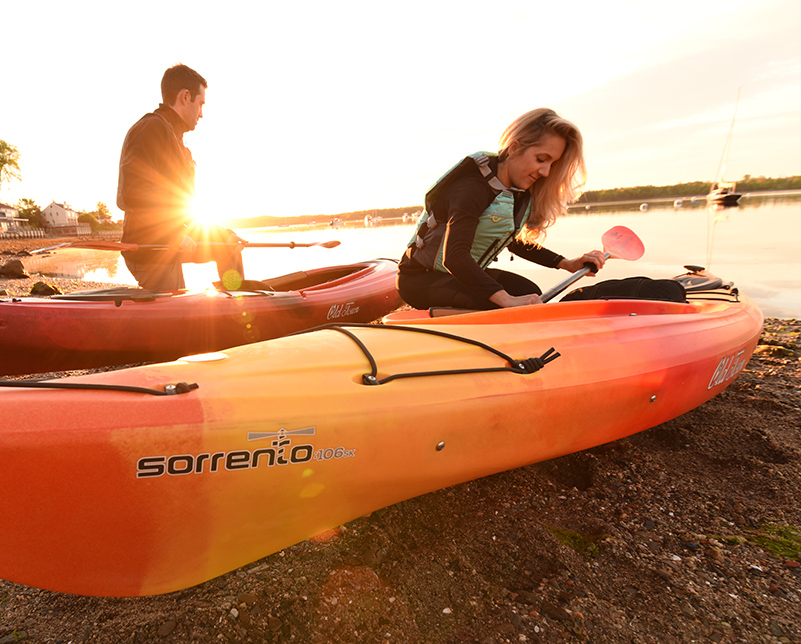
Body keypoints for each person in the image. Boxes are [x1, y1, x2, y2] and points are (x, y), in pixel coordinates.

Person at [397, 108, 606, 310]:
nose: (545, 172)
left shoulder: (513, 192)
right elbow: (455, 257)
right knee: (504, 303)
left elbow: (511, 241)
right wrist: (506, 300)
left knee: (529, 292)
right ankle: (438, 321)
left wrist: (567, 263)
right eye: (541, 159)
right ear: (514, 148)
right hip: (420, 279)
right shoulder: (472, 188)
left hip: (456, 277)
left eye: (552, 164)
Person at [117, 63, 245, 291]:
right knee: (176, 299)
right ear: (185, 97)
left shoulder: (178, 142)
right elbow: (132, 194)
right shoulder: (150, 128)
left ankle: (236, 298)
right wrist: (172, 236)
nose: (201, 113)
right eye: (200, 104)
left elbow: (184, 209)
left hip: (175, 236)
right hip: (151, 247)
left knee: (228, 243)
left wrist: (224, 233)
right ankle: (176, 306)